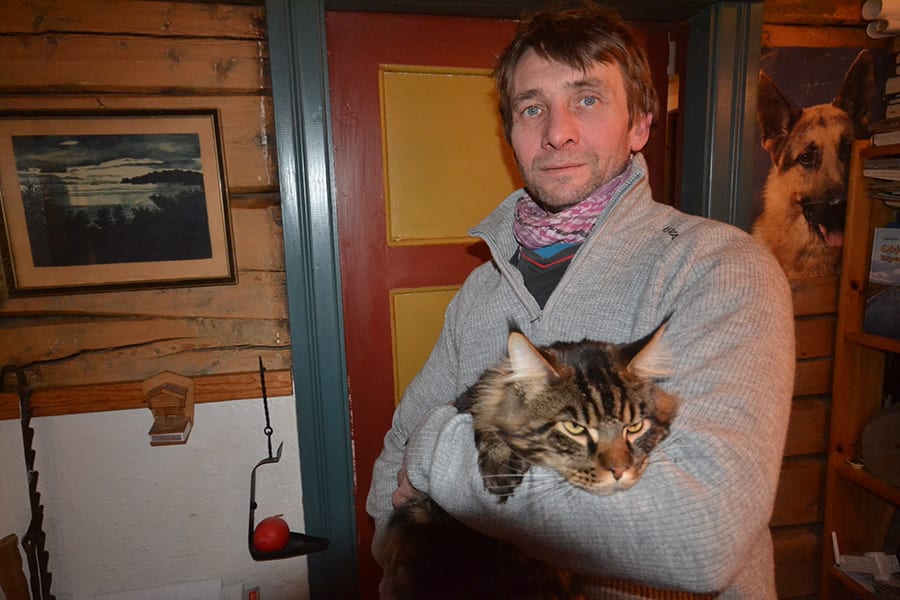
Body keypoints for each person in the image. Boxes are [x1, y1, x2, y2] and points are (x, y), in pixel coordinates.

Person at [366, 4, 795, 599]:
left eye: (587, 99)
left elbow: (700, 536)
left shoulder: (721, 267)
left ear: (639, 125)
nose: (557, 132)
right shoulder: (481, 290)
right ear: (510, 135)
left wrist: (439, 454)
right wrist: (398, 569)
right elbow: (398, 449)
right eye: (532, 107)